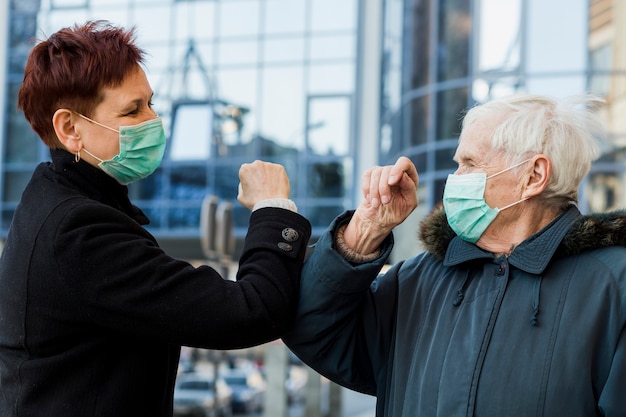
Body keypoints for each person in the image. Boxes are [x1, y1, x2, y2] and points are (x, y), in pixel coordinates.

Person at [0, 21, 311, 416]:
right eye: (133, 110)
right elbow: (252, 312)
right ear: (69, 128)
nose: (153, 120)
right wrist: (272, 207)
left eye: (150, 103)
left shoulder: (56, 205)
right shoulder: (77, 232)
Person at [283, 94, 626, 416]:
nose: (454, 178)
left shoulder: (614, 287)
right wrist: (365, 230)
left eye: (469, 163)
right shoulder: (416, 281)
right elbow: (314, 331)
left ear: (533, 176)